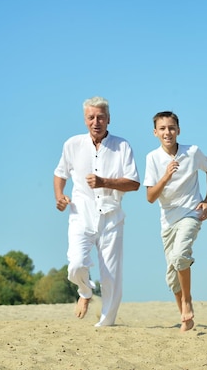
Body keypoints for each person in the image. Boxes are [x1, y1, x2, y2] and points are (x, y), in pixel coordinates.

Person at [53, 96, 140, 327]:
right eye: (91, 117)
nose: (96, 122)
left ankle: (106, 324)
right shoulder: (72, 144)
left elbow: (134, 183)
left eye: (100, 117)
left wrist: (105, 182)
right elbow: (60, 174)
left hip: (111, 217)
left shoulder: (122, 146)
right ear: (85, 120)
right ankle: (85, 291)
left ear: (109, 119)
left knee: (111, 276)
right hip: (80, 214)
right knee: (76, 264)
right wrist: (60, 197)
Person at [144, 111, 207, 332]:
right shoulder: (152, 158)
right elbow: (150, 197)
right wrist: (166, 176)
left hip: (191, 213)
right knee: (171, 277)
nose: (168, 132)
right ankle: (186, 318)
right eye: (163, 128)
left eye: (172, 127)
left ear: (178, 130)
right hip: (168, 221)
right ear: (155, 132)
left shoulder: (192, 152)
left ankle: (187, 300)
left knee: (180, 255)